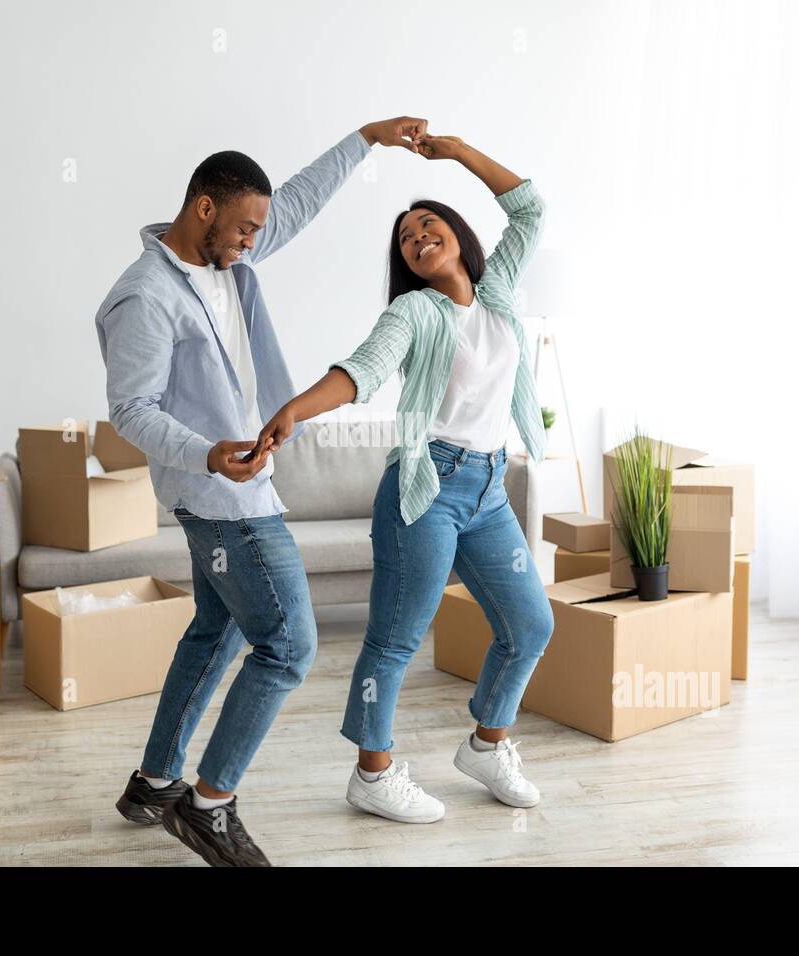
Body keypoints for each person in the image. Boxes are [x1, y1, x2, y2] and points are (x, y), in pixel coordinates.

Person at [97, 117, 429, 864]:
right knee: (288, 644)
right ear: (204, 209)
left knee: (214, 634)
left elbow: (299, 204)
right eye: (245, 227)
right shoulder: (145, 296)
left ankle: (154, 784)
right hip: (224, 502)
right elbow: (129, 410)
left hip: (235, 486)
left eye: (258, 230)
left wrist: (365, 139)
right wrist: (210, 456)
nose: (255, 241)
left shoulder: (228, 260)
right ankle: (209, 806)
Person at [254, 134, 555, 825]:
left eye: (428, 224)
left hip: (488, 489)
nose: (417, 236)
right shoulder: (413, 313)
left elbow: (531, 210)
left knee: (530, 626)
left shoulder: (499, 293)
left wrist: (455, 152)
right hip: (427, 491)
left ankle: (487, 743)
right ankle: (372, 771)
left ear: (457, 234)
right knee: (394, 638)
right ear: (406, 264)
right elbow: (359, 371)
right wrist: (292, 413)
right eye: (405, 238)